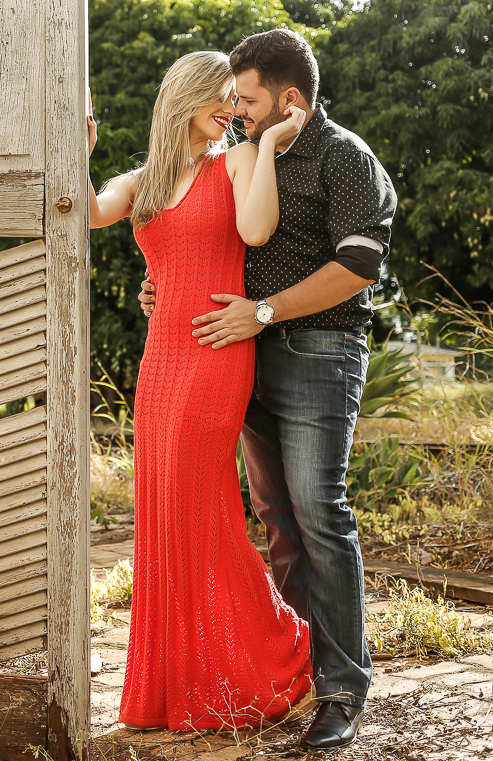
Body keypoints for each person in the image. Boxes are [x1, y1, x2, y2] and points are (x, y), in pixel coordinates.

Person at [139, 30, 397, 750]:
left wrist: (264, 311)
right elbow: (204, 233)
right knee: (278, 516)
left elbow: (358, 268)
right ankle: (295, 675)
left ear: (288, 98)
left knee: (320, 511)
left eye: (245, 99)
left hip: (318, 351)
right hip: (243, 356)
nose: (236, 111)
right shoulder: (247, 156)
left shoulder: (346, 159)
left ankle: (345, 688)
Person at [87, 50, 314, 731]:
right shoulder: (143, 182)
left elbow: (254, 231)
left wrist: (268, 142)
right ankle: (174, 684)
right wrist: (78, 149)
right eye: (223, 98)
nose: (234, 110)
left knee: (203, 509)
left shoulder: (238, 161)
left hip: (218, 348)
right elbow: (84, 213)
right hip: (161, 361)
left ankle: (277, 646)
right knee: (164, 514)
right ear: (185, 97)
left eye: (238, 101)